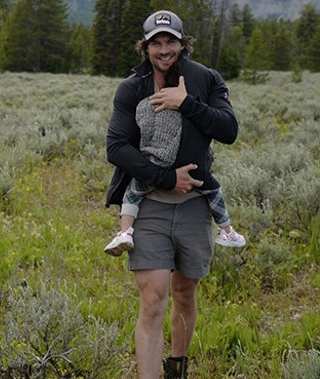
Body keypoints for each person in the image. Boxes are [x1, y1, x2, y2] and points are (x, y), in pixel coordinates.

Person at [104, 11, 239, 379]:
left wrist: (187, 104)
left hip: (197, 204)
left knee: (185, 292)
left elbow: (229, 129)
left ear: (183, 44)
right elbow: (116, 147)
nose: (164, 50)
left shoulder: (205, 80)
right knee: (153, 296)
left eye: (172, 42)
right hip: (151, 205)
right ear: (145, 47)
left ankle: (177, 374)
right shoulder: (132, 88)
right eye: (156, 43)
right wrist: (165, 177)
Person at [103, 79, 246, 257]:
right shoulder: (182, 106)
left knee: (132, 194)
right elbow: (115, 148)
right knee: (213, 191)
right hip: (186, 171)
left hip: (150, 164)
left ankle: (125, 232)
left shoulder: (143, 105)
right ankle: (226, 230)